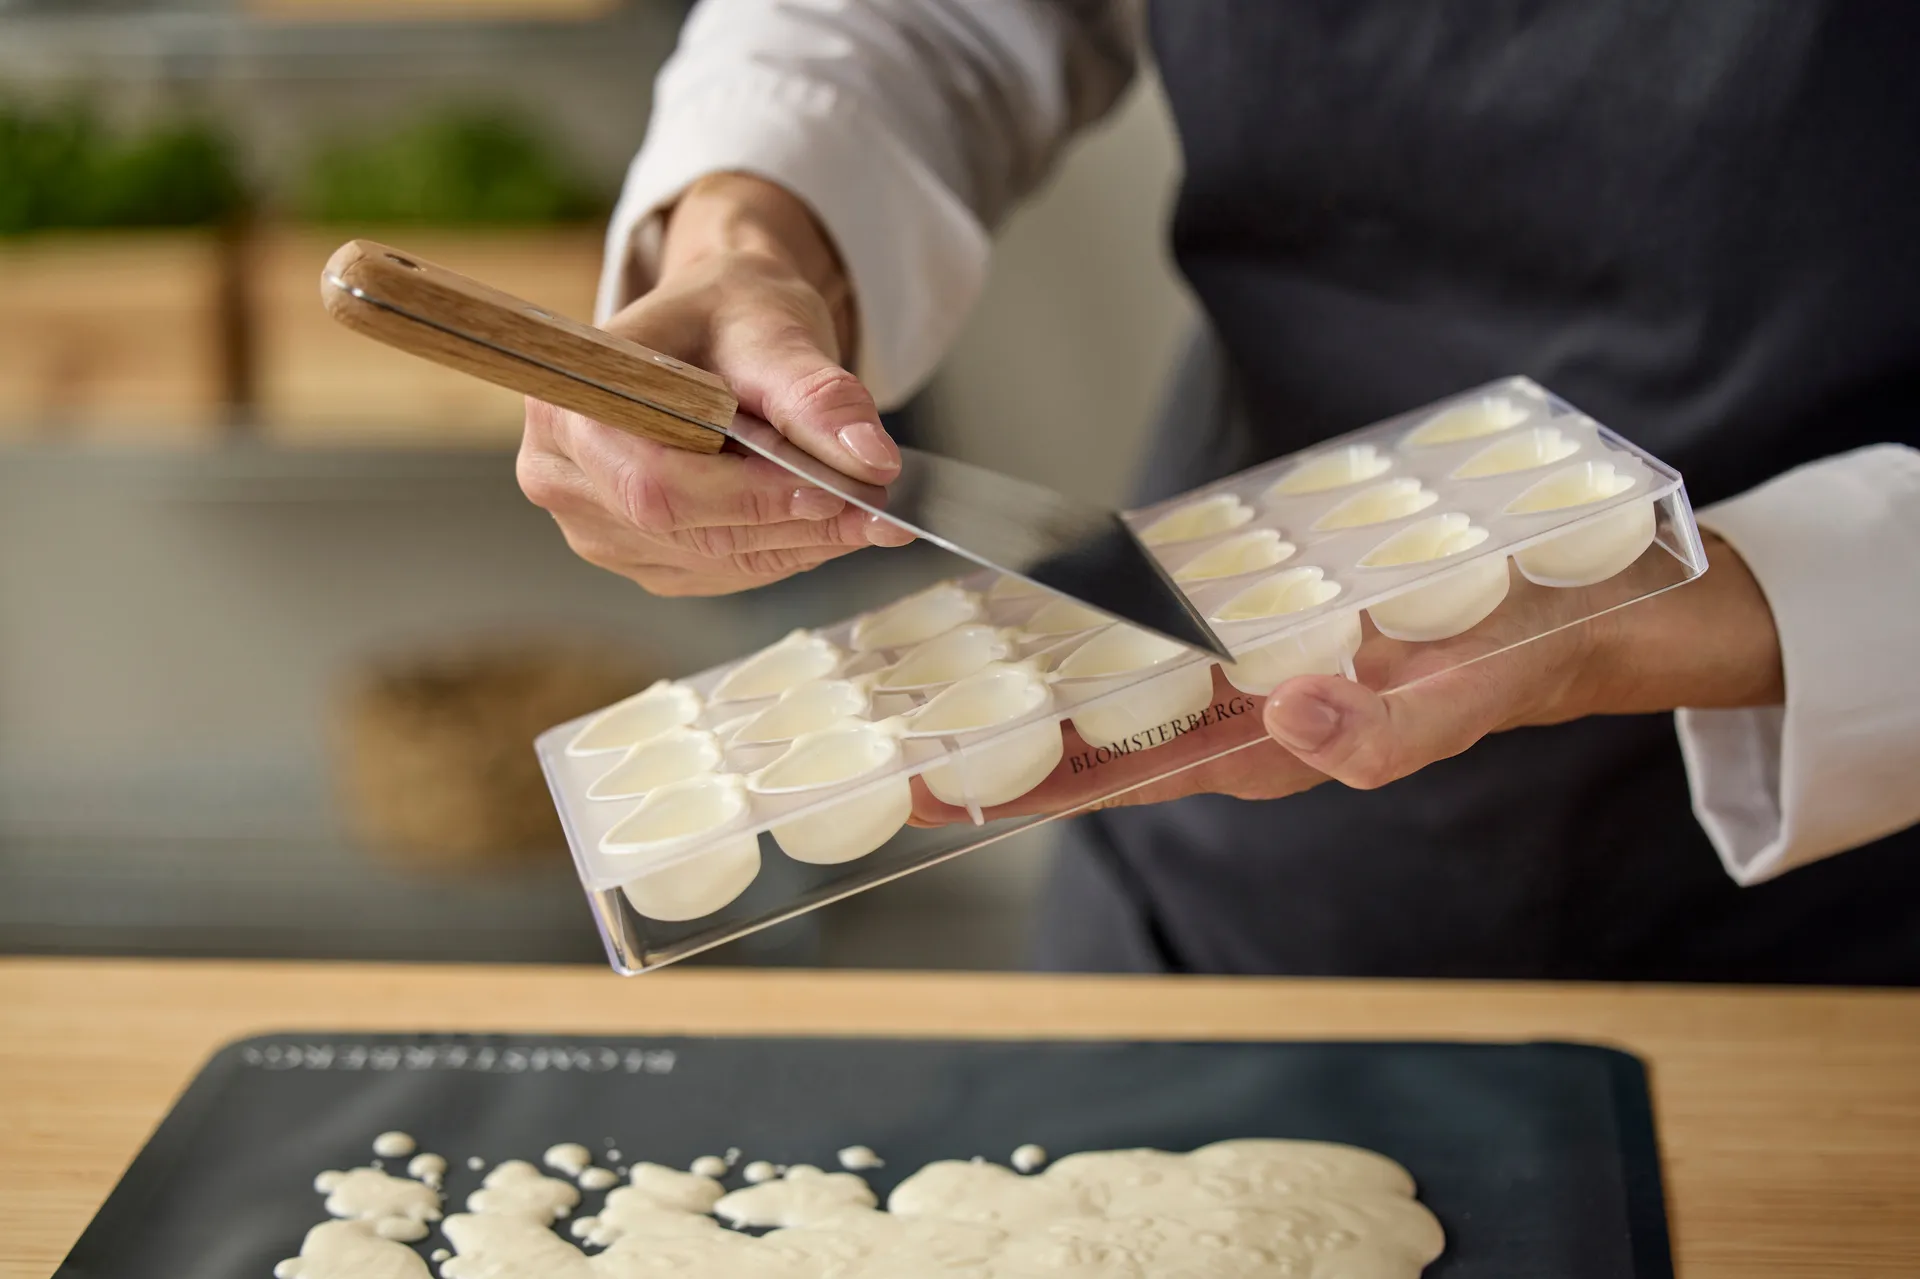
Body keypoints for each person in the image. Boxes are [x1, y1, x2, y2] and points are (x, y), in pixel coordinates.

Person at [517, 2, 1920, 982]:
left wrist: (1722, 604)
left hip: (1846, 892)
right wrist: (752, 233)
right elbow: (928, 16)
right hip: (1217, 762)